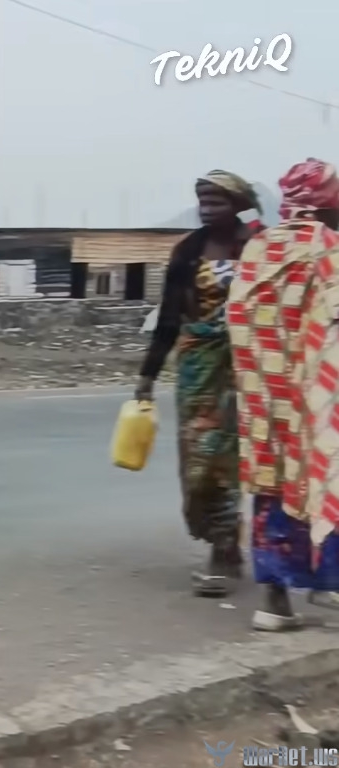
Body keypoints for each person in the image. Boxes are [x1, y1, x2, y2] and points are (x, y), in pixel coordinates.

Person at [135, 170, 261, 597]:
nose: (207, 210)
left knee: (230, 460)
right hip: (198, 370)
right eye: (203, 202)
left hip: (248, 369)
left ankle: (224, 551)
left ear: (239, 205)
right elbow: (169, 317)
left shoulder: (261, 248)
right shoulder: (188, 250)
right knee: (199, 459)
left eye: (217, 202)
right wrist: (147, 375)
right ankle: (222, 542)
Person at [226, 158, 339, 631]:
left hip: (264, 405)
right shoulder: (329, 247)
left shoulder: (258, 247)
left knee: (272, 492)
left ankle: (274, 603)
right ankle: (328, 584)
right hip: (318, 404)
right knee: (325, 483)